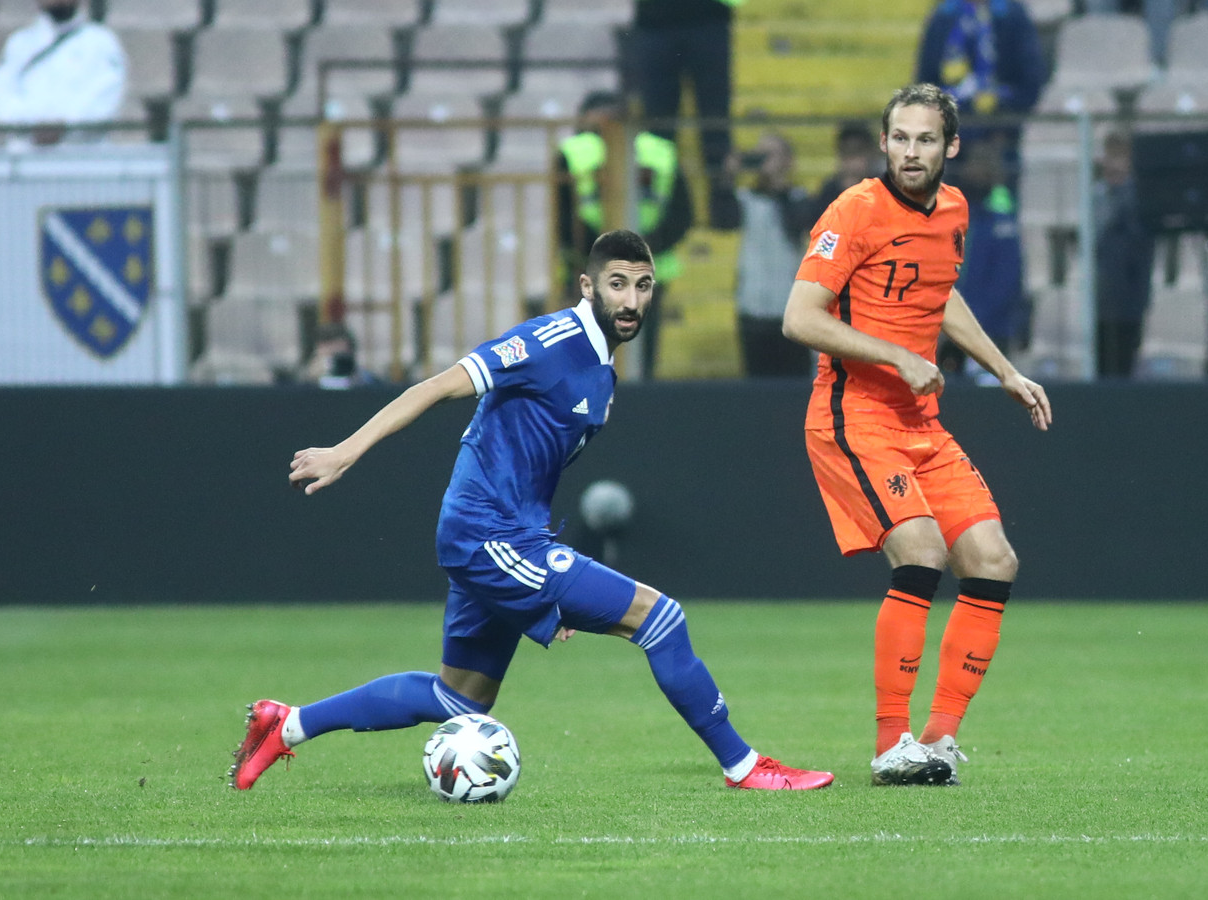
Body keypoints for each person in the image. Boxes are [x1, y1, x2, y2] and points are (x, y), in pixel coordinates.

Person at [230, 230, 834, 793]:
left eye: (643, 286)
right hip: (487, 535)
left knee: (459, 700)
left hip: (501, 535)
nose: (631, 300)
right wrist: (345, 451)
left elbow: (527, 462)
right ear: (588, 286)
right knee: (660, 619)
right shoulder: (547, 343)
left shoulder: (601, 367)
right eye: (617, 284)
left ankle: (286, 724)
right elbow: (435, 387)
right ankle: (744, 766)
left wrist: (539, 587)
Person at [781, 84, 1052, 786]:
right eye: (899, 138)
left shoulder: (954, 211)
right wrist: (898, 356)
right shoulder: (854, 210)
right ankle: (889, 745)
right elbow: (800, 317)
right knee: (923, 551)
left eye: (925, 140)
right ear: (884, 142)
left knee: (993, 559)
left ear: (950, 146)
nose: (910, 152)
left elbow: (941, 293)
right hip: (853, 412)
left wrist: (1004, 371)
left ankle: (938, 739)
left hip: (920, 422)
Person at [557, 92, 693, 379]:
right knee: (634, 353)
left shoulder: (573, 151)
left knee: (595, 354)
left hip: (602, 267)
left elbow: (682, 213)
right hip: (630, 268)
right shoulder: (660, 151)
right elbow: (562, 215)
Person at [709, 131, 815, 377]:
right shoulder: (746, 199)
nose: (765, 161)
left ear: (787, 161)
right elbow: (722, 221)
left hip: (789, 308)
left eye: (771, 155)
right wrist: (727, 178)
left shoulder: (799, 198)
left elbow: (796, 224)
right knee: (757, 382)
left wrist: (778, 185)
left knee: (794, 382)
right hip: (752, 308)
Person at [914, 0, 1045, 192]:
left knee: (1001, 201)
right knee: (952, 201)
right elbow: (925, 80)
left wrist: (1002, 113)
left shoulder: (1012, 14)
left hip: (1001, 139)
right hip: (953, 140)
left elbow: (1030, 81)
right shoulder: (944, 15)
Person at [629, 0, 744, 187]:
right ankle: (661, 197)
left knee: (714, 124)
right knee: (658, 129)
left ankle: (721, 194)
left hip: (707, 22)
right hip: (657, 24)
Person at [939, 135, 1026, 378]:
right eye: (977, 162)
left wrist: (966, 323)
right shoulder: (948, 217)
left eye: (988, 163)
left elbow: (1006, 281)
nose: (982, 170)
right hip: (947, 333)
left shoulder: (1001, 219)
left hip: (991, 333)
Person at [0, 0, 127, 147]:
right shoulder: (19, 43)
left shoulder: (101, 42)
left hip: (82, 152)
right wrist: (33, 125)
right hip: (25, 152)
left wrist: (64, 127)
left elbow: (105, 98)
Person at [1092, 129, 1154, 378]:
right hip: (1100, 296)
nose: (1114, 163)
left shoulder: (1139, 198)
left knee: (1125, 361)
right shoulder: (1096, 195)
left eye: (1120, 156)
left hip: (1130, 294)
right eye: (1110, 156)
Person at [299, 321, 379, 389]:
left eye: (339, 356)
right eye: (328, 358)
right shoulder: (305, 382)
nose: (335, 363)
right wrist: (310, 379)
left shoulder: (367, 381)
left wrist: (358, 382)